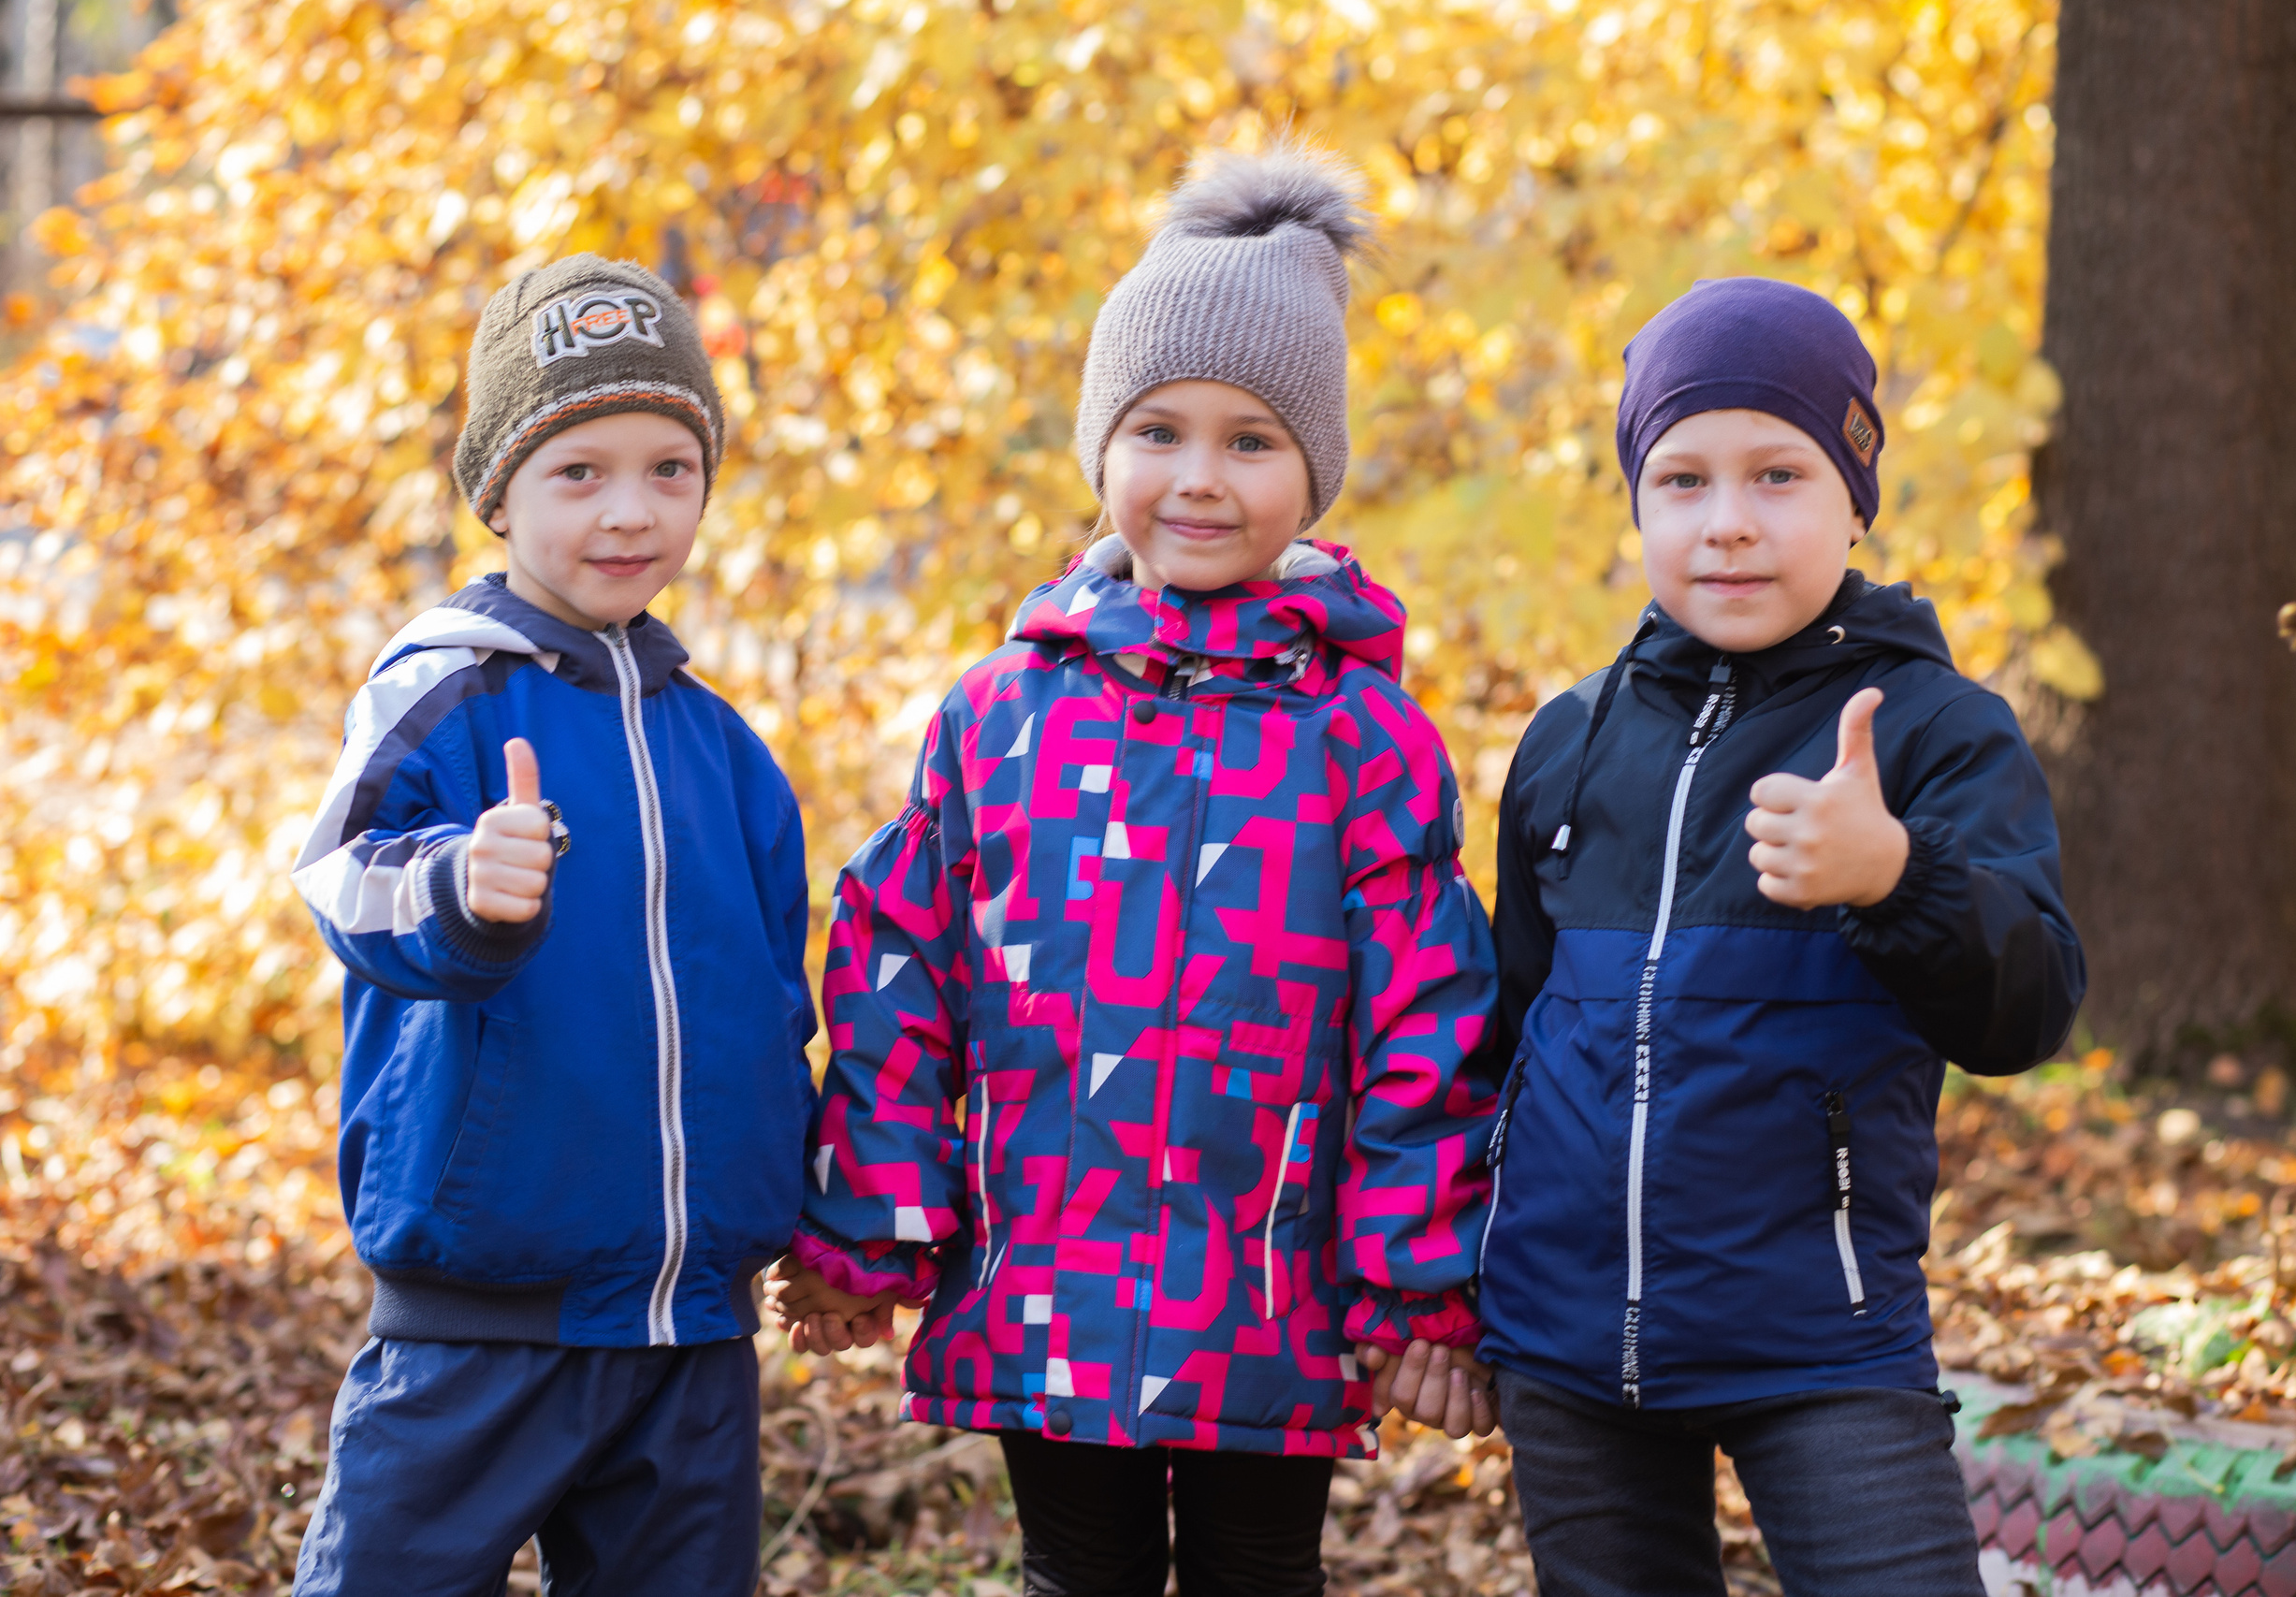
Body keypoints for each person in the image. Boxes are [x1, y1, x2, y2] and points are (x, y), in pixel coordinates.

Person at [764, 144, 1499, 1597]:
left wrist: (1416, 1278)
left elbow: (1431, 1018)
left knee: (1258, 1576)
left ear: (1314, 471)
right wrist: (870, 1221)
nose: (1200, 480)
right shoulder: (1000, 713)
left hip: (1270, 1279)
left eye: (1251, 441)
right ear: (1103, 452)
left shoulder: (1365, 736)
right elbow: (900, 973)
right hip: (1046, 1266)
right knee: (1075, 1572)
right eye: (1159, 432)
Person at [1474, 277, 2085, 1597]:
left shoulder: (1933, 728)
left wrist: (1895, 877)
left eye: (1779, 475)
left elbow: (2028, 1009)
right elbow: (1501, 1035)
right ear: (1636, 504)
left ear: (1855, 497)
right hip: (1570, 1350)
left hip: (1824, 1341)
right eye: (1683, 481)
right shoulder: (1568, 742)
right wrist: (1453, 1288)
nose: (1730, 524)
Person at [287, 255, 813, 1595]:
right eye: (579, 471)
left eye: (669, 469)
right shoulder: (446, 696)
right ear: (500, 493)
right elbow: (343, 875)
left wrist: (803, 1215)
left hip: (692, 1331)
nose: (631, 512)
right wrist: (462, 885)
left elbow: (770, 1012)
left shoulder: (727, 752)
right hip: (483, 1317)